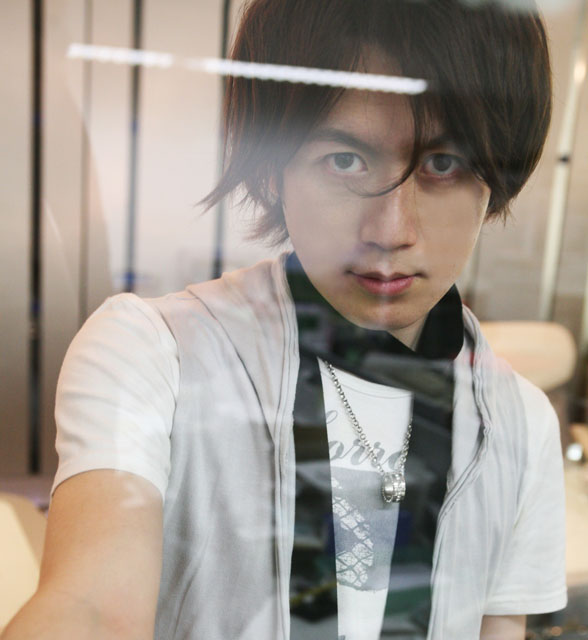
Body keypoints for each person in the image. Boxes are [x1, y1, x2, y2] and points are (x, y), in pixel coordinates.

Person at [2, 0, 567, 638]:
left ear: (495, 175)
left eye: (443, 164)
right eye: (345, 160)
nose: (391, 230)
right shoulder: (156, 353)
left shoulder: (519, 422)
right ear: (275, 165)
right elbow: (91, 606)